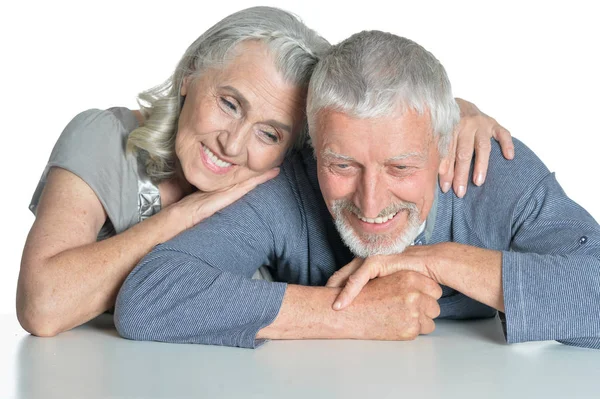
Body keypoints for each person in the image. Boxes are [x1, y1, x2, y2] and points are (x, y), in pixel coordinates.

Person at [16, 7, 511, 337]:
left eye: (270, 133)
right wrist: (180, 217)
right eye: (229, 103)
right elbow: (42, 306)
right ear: (190, 74)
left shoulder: (281, 186)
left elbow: (371, 92)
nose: (233, 144)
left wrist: (456, 111)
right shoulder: (106, 138)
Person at [114, 30, 600, 349]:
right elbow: (149, 299)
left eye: (400, 167)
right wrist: (342, 314)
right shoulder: (285, 188)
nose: (371, 203)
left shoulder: (489, 168)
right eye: (341, 165)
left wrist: (437, 260)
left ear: (444, 144)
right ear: (311, 144)